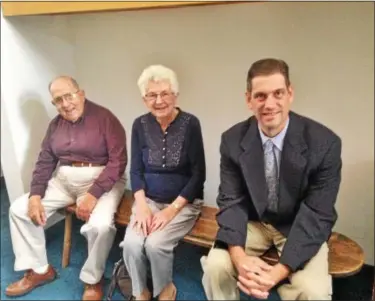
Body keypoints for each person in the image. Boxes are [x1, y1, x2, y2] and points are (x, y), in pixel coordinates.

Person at [201, 58, 342, 300]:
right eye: (260, 96)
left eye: (278, 93)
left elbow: (318, 214)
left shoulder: (324, 144)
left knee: (313, 291)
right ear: (248, 100)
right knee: (215, 267)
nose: (270, 104)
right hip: (255, 222)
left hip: (298, 224)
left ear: (290, 94)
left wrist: (279, 272)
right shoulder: (232, 140)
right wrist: (239, 257)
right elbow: (231, 201)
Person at [6, 76, 127, 300]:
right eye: (58, 100)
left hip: (101, 179)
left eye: (69, 96)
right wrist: (35, 195)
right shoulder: (55, 125)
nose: (65, 104)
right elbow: (45, 161)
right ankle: (40, 270)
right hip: (64, 181)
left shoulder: (105, 118)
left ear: (81, 93)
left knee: (100, 225)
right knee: (19, 210)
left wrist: (93, 195)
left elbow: (118, 162)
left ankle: (93, 279)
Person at [121, 65, 206, 301]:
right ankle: (141, 292)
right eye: (152, 95)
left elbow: (199, 174)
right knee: (132, 243)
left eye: (165, 93)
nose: (159, 100)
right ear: (144, 99)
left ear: (175, 94)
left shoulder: (191, 124)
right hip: (147, 199)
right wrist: (142, 206)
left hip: (183, 203)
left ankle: (165, 289)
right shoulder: (139, 124)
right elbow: (136, 169)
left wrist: (170, 211)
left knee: (156, 244)